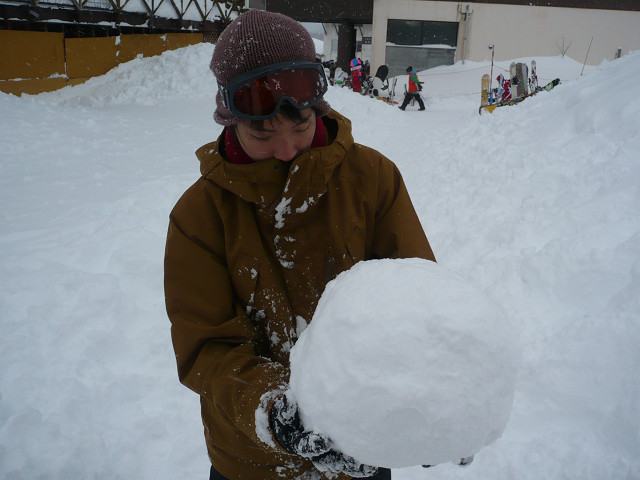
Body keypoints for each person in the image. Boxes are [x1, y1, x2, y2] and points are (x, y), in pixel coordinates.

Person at [164, 9, 436, 480]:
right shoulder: (199, 215)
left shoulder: (372, 178)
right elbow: (206, 346)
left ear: (318, 108)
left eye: (301, 125)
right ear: (231, 119)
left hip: (362, 443)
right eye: (262, 134)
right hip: (252, 461)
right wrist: (274, 411)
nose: (287, 149)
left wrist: (432, 402)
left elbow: (418, 305)